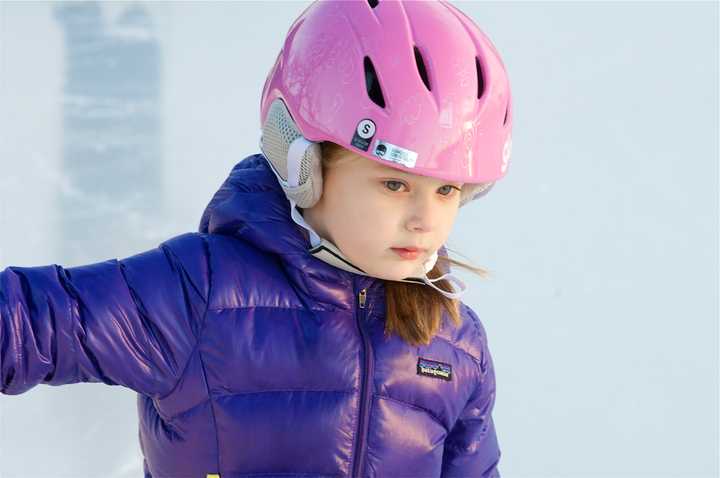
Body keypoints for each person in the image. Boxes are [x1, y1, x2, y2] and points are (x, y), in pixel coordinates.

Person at [0, 0, 513, 477]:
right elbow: (30, 322)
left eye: (447, 190)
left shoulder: (455, 342)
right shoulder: (202, 293)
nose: (426, 220)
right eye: (395, 184)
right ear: (303, 165)